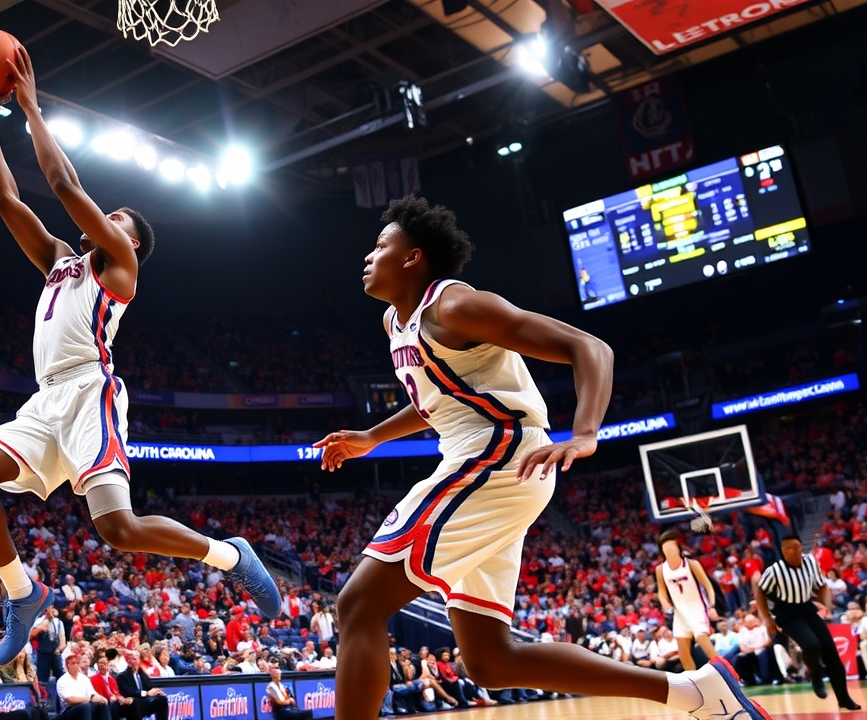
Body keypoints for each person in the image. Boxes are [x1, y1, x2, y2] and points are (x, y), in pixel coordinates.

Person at [312, 195, 769, 720]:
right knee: (491, 661)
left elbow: (590, 348)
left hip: (498, 455)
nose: (368, 256)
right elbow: (439, 399)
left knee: (358, 604)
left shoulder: (454, 306)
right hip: (493, 463)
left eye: (379, 246)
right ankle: (693, 691)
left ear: (413, 257)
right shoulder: (396, 323)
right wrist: (372, 437)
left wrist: (586, 432)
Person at [0, 46, 279, 665]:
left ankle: (230, 554)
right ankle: (22, 592)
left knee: (118, 530)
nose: (107, 217)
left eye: (117, 218)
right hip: (46, 400)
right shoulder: (59, 262)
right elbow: (6, 201)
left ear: (129, 243)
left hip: (90, 392)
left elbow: (64, 185)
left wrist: (32, 109)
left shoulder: (120, 268)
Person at [755, 535, 861, 710]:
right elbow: (760, 591)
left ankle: (844, 699)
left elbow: (822, 585)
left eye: (798, 547)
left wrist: (825, 605)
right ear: (783, 550)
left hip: (807, 609)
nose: (795, 551)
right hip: (787, 614)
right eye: (790, 548)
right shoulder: (775, 570)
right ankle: (815, 674)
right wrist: (767, 618)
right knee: (811, 645)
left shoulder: (810, 562)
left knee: (831, 654)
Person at [655, 530, 721, 670]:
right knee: (683, 653)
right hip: (680, 613)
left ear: (678, 548)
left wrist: (712, 606)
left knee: (706, 645)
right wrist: (664, 602)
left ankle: (731, 676)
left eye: (672, 547)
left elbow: (708, 586)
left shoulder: (691, 564)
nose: (669, 550)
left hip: (697, 609)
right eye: (666, 548)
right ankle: (693, 680)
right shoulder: (660, 570)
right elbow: (661, 591)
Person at [56, 653, 111, 720]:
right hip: (68, 710)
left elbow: (92, 693)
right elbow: (70, 700)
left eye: (77, 663)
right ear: (68, 665)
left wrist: (101, 698)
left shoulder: (84, 678)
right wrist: (90, 699)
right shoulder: (63, 680)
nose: (76, 665)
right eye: (73, 663)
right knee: (85, 706)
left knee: (102, 704)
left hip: (86, 705)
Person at [116, 653, 166, 720]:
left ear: (139, 660)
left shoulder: (142, 674)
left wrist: (156, 692)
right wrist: (146, 693)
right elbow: (128, 692)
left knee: (162, 699)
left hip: (143, 702)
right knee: (135, 702)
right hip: (130, 703)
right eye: (129, 659)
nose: (131, 661)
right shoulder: (122, 676)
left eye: (134, 659)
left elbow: (149, 688)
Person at [90, 653, 135, 720]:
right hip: (103, 703)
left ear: (109, 666)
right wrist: (113, 698)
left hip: (114, 701)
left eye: (104, 663)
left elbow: (116, 692)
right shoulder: (93, 679)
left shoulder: (112, 679)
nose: (102, 666)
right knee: (114, 704)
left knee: (133, 703)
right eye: (100, 663)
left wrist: (123, 699)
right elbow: (99, 695)